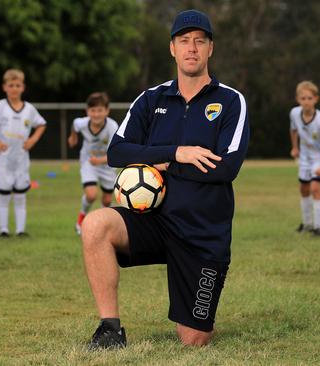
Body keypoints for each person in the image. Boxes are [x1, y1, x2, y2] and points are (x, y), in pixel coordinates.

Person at [81, 9, 249, 349]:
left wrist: (168, 163)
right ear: (172, 48)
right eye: (184, 41)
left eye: (199, 42)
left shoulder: (230, 101)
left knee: (194, 339)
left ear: (210, 49)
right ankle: (110, 330)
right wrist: (177, 151)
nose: (192, 48)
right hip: (154, 221)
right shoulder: (151, 99)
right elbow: (118, 152)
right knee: (95, 224)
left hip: (203, 233)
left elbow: (227, 167)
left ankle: (197, 312)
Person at [0, 69, 47, 237]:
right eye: (11, 85)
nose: (14, 88)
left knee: (21, 195)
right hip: (3, 160)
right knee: (3, 195)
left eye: (17, 85)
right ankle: (3, 229)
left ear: (23, 87)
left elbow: (42, 124)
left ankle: (21, 230)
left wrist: (33, 139)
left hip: (22, 160)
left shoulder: (29, 109)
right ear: (4, 87)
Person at [67, 92, 119, 235]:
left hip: (107, 164)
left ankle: (103, 225)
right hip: (88, 161)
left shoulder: (112, 127)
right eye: (93, 110)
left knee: (107, 201)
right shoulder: (82, 123)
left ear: (107, 111)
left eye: (100, 110)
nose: (96, 114)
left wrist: (100, 160)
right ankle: (80, 221)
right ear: (87, 111)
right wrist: (72, 138)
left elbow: (114, 153)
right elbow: (74, 125)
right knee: (91, 195)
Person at [289, 81, 320, 236]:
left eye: (309, 98)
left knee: (315, 188)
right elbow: (293, 130)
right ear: (298, 99)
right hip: (304, 158)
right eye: (303, 98)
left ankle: (319, 227)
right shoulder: (295, 113)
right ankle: (307, 224)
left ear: (316, 99)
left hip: (318, 158)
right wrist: (295, 147)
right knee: (304, 189)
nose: (306, 101)